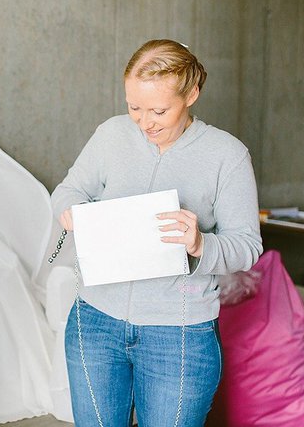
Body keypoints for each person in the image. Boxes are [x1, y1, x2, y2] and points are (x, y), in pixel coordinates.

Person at [51, 39, 262, 426]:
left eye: (158, 110)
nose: (144, 122)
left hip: (178, 335)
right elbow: (68, 191)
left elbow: (247, 245)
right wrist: (71, 211)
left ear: (192, 94)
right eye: (134, 107)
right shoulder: (111, 134)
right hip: (95, 321)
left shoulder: (227, 156)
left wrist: (201, 243)